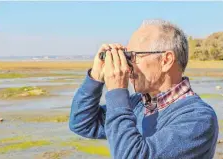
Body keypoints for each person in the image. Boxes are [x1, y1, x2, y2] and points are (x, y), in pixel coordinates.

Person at [69, 19, 219, 159]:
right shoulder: (138, 104)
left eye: (132, 57)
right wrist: (96, 77)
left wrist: (117, 91)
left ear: (165, 61)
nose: (127, 66)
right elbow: (82, 123)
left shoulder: (198, 118)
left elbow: (132, 155)